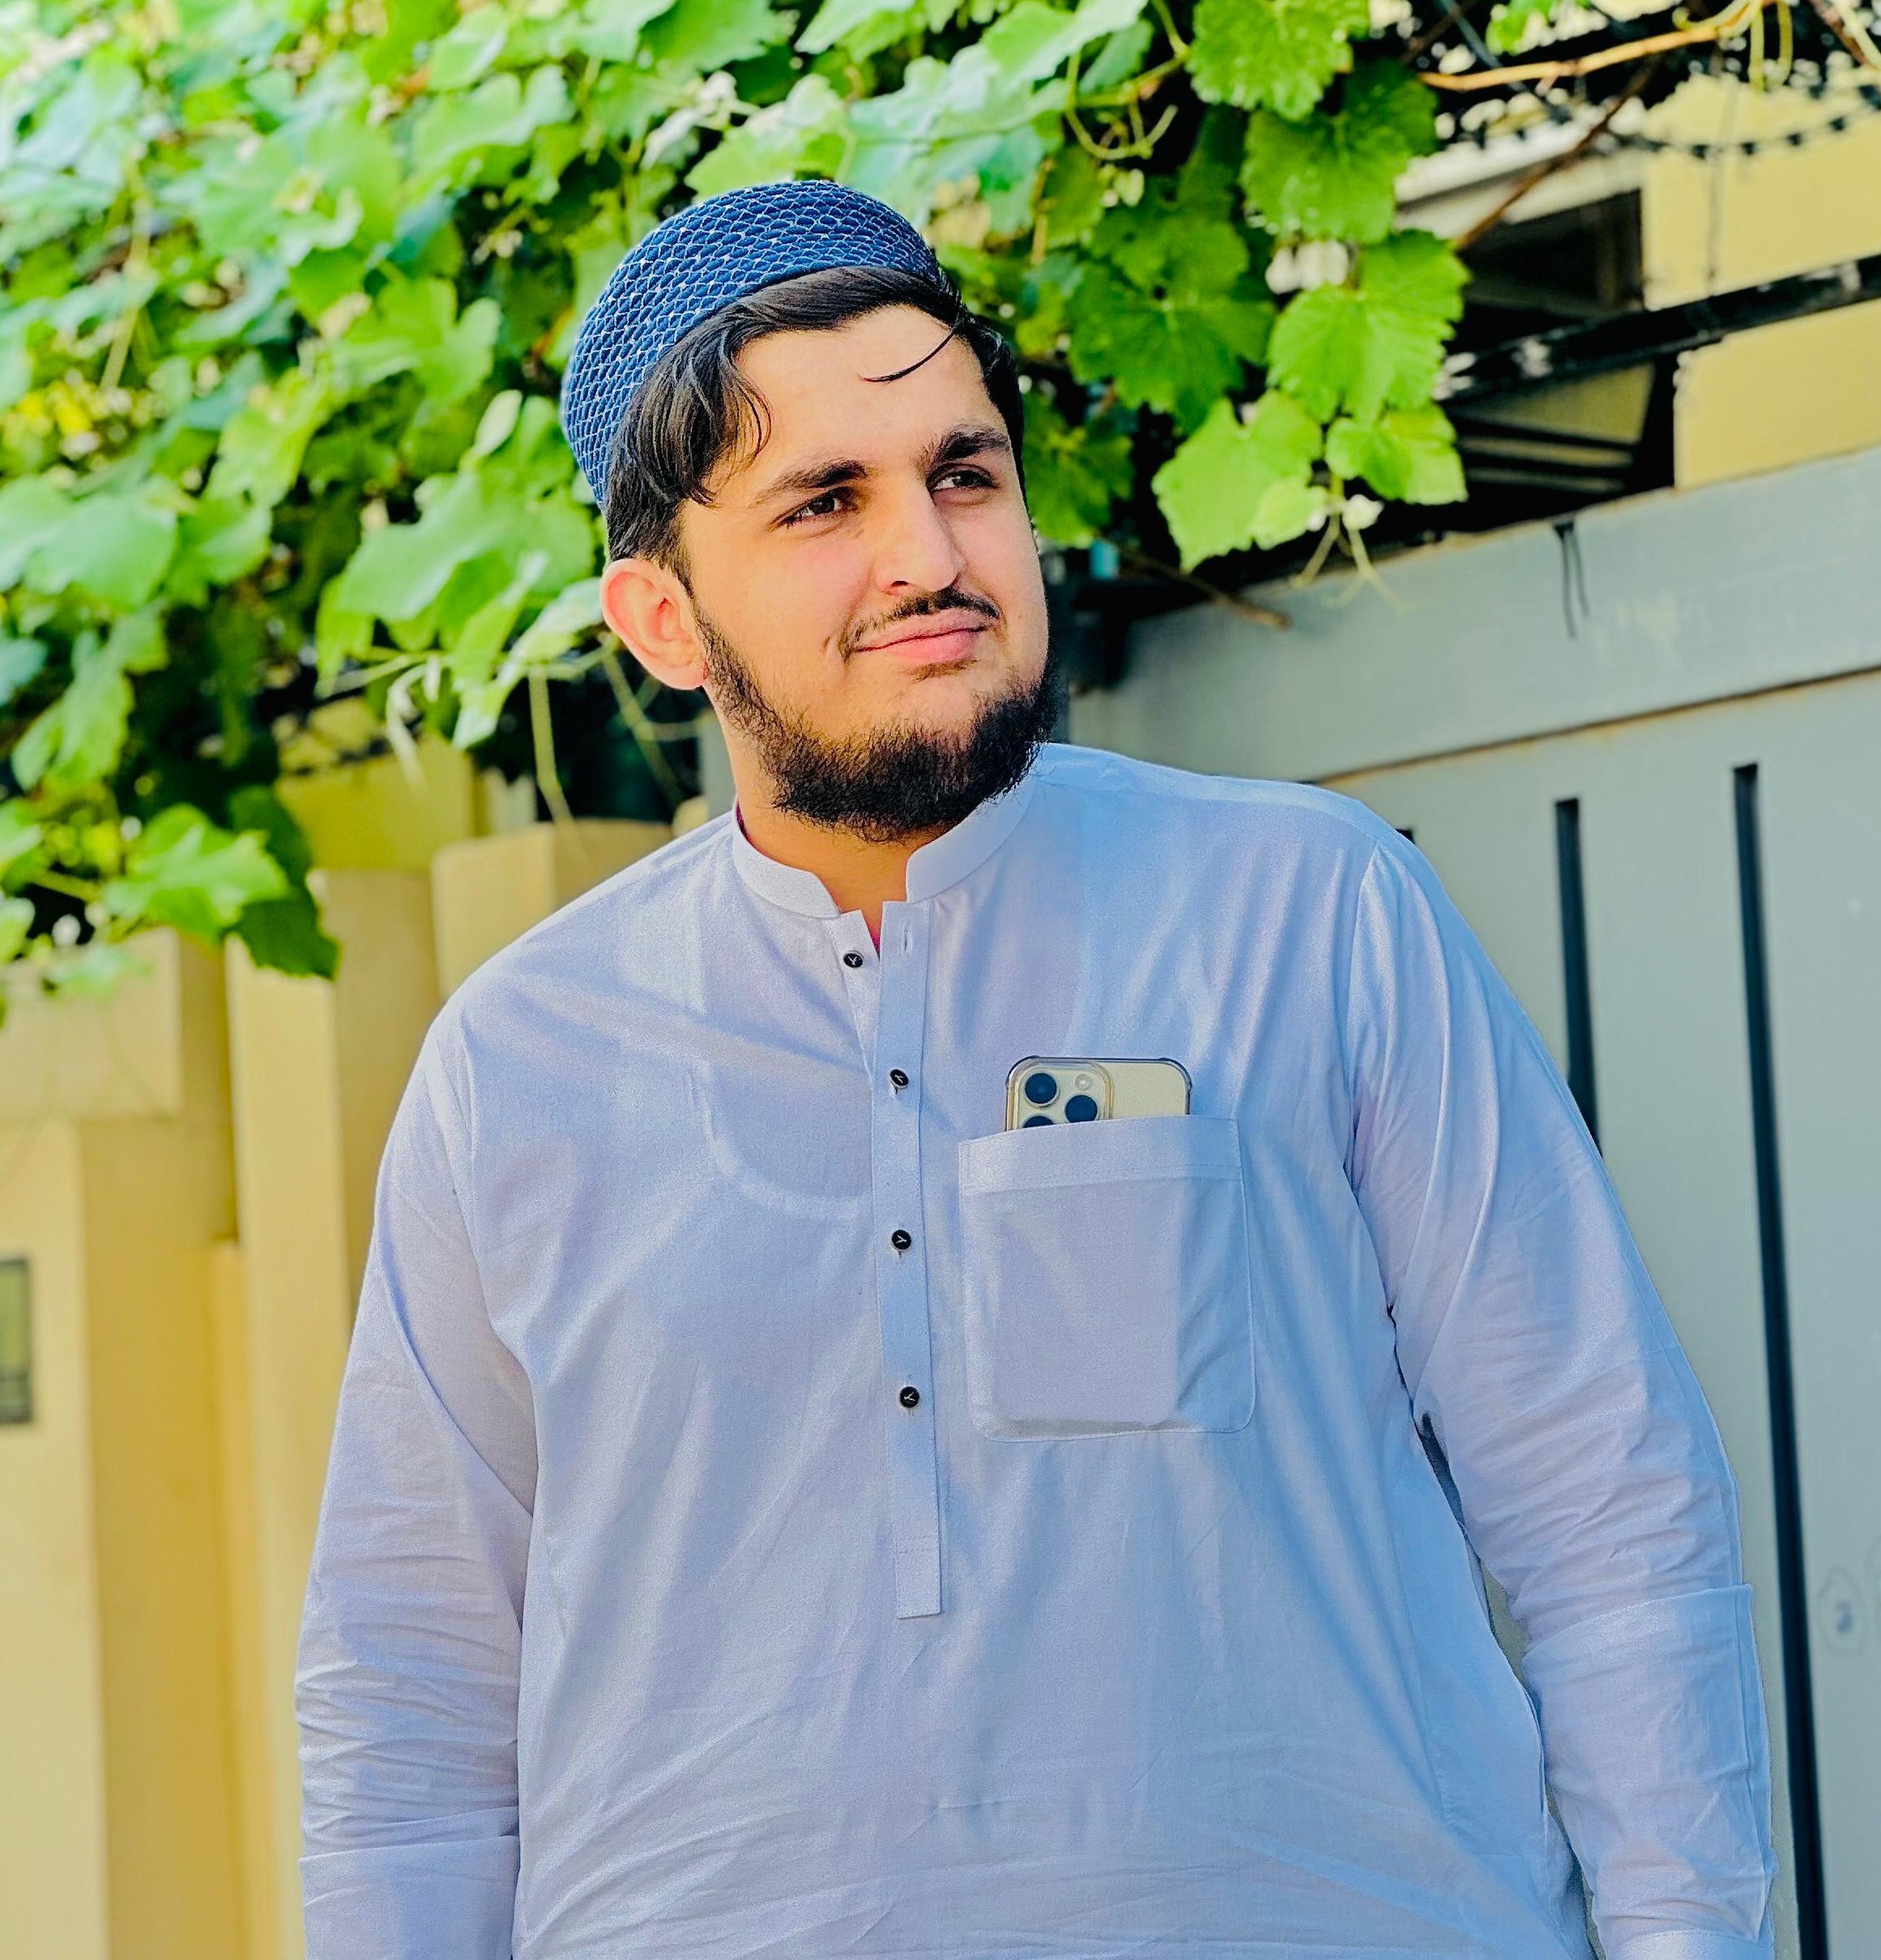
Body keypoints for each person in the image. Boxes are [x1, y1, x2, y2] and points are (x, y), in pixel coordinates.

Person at [296, 180, 1776, 1960]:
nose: (929, 554)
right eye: (824, 502)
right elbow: (408, 1705)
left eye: (964, 473)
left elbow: (1609, 1504)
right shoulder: (517, 1064)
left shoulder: (1309, 912)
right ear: (663, 619)